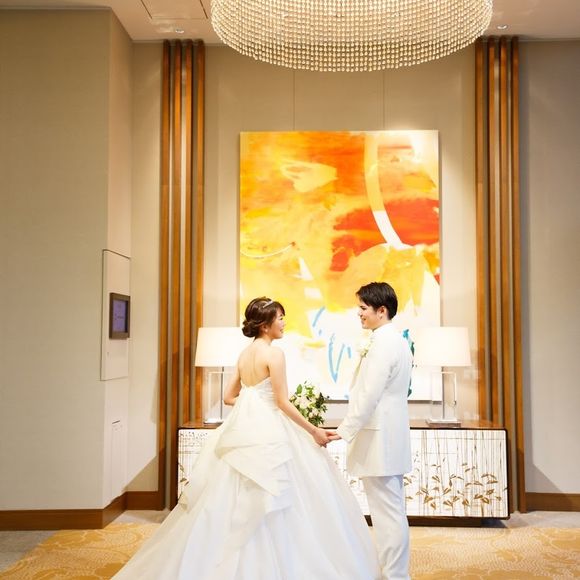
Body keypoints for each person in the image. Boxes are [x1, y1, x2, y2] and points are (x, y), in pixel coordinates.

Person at [113, 297, 380, 580]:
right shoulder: (274, 355)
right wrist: (313, 430)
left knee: (228, 495)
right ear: (265, 325)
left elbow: (229, 397)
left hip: (246, 430)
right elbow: (282, 402)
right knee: (282, 492)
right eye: (280, 318)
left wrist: (253, 401)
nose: (284, 323)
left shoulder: (244, 355)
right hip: (271, 431)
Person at [335, 282, 413, 580]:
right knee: (390, 511)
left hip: (382, 438)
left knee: (387, 514)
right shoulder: (393, 340)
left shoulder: (383, 343)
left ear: (382, 310)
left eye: (363, 308)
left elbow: (369, 394)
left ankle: (395, 576)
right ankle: (394, 573)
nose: (359, 313)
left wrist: (344, 430)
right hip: (388, 435)